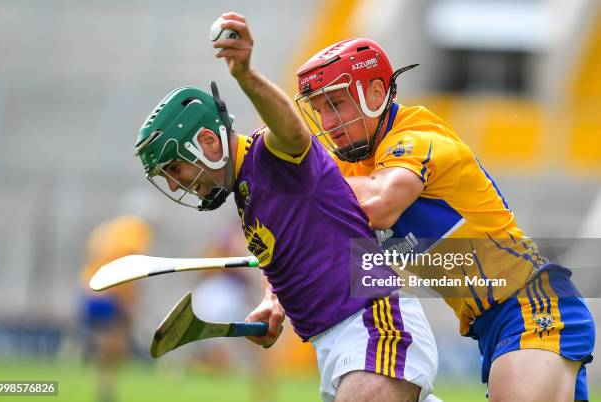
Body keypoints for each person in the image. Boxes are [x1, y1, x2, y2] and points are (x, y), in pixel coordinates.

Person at [133, 13, 439, 402]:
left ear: (209, 142)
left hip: (375, 326)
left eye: (175, 168)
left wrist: (245, 75)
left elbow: (293, 130)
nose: (176, 184)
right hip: (336, 346)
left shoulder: (271, 154)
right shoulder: (247, 196)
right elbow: (281, 257)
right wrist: (271, 301)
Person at [292, 38, 595, 401]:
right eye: (318, 109)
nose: (328, 123)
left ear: (374, 92)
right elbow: (300, 237)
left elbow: (380, 205)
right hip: (491, 326)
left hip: (533, 306)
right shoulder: (352, 166)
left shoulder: (416, 138)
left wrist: (304, 179)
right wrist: (273, 297)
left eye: (336, 104)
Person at [79, 216, 153, 402]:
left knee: (107, 344)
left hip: (90, 288)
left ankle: (105, 386)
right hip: (111, 292)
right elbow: (130, 263)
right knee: (115, 344)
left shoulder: (106, 228)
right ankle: (106, 389)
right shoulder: (136, 230)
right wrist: (130, 300)